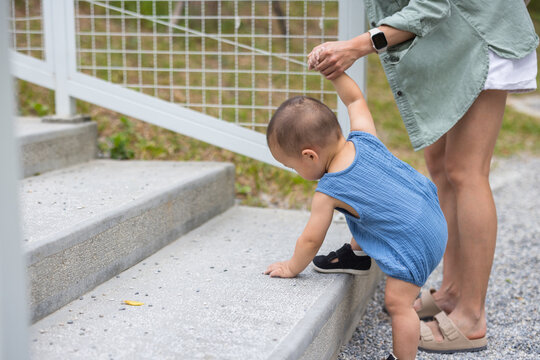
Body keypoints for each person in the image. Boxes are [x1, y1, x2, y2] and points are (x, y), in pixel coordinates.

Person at [307, 0, 538, 354]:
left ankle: (472, 316)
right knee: (441, 165)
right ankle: (452, 292)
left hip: (479, 36)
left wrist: (355, 47)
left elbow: (431, 5)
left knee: (467, 170)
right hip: (452, 40)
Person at [264, 69, 448, 360]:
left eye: (292, 166)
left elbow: (310, 240)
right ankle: (357, 254)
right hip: (432, 215)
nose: (295, 173)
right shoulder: (364, 137)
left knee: (399, 304)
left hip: (414, 242)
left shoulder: (329, 189)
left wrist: (291, 267)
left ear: (309, 156)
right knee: (368, 207)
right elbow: (354, 99)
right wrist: (335, 73)